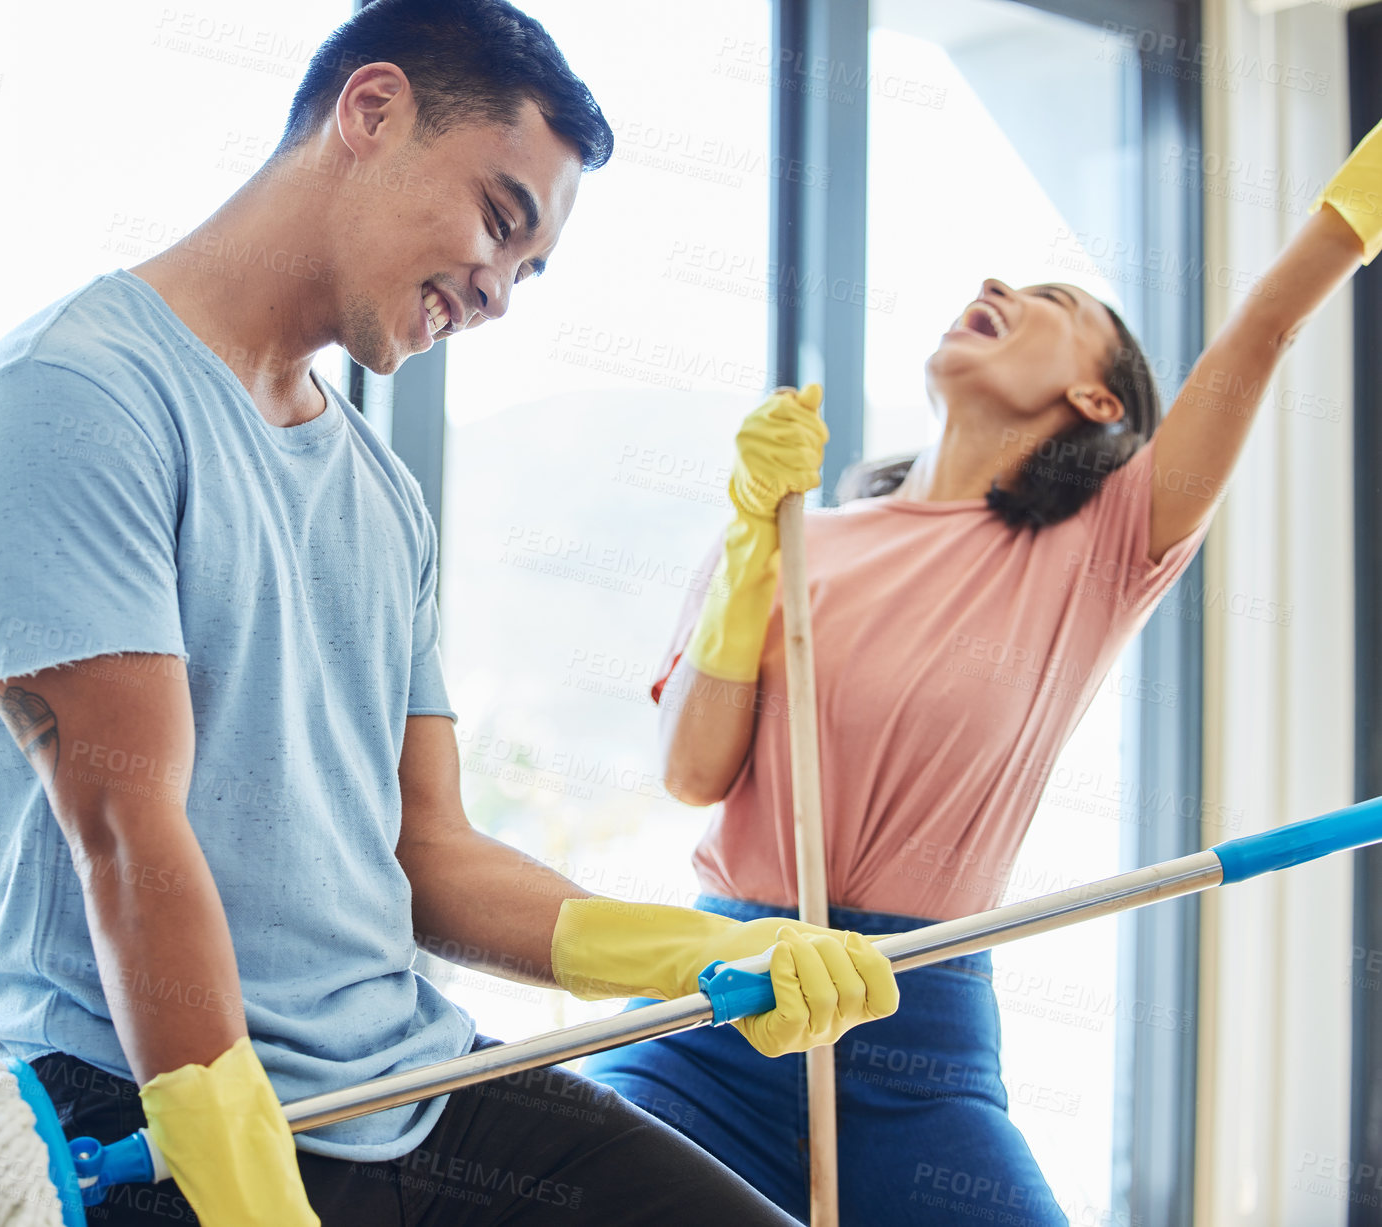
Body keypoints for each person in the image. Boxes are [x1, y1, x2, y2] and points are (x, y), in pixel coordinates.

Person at [0, 2, 897, 1224]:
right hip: (145, 1105)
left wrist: (698, 953)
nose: (497, 294)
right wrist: (247, 1193)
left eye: (529, 272)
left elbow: (426, 852)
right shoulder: (75, 401)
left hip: (409, 1084)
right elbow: (126, 833)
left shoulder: (381, 497)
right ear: (370, 112)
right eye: (499, 220)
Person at [583, 122, 1382, 1225]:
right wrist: (749, 542)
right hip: (723, 1012)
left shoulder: (1105, 544)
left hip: (918, 1046)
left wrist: (1355, 206)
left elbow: (1261, 327)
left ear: (1100, 403)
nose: (999, 282)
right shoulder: (792, 536)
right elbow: (692, 772)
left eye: (1054, 301)